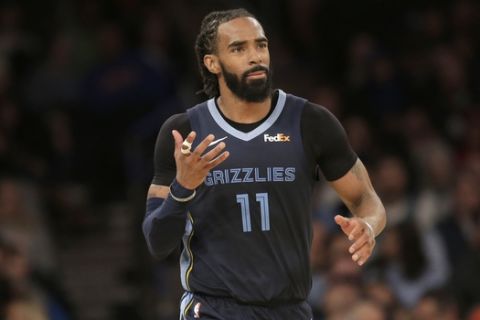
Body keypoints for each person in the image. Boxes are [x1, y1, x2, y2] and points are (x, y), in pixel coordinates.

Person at [142, 8, 386, 320]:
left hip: (289, 309)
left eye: (261, 45)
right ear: (211, 62)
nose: (255, 56)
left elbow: (366, 199)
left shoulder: (311, 123)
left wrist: (368, 225)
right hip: (214, 308)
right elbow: (157, 242)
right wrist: (183, 187)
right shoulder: (184, 132)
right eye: (238, 48)